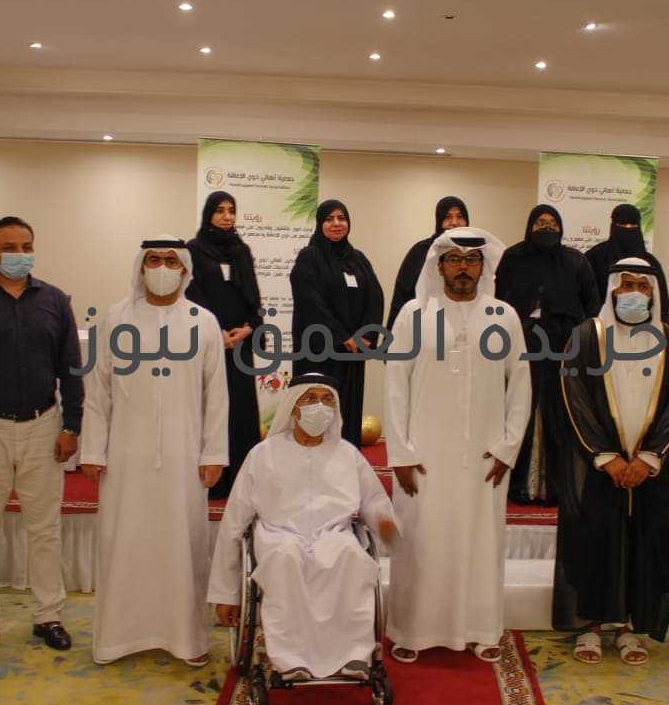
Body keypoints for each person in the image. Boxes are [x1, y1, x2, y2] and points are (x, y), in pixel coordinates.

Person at [80, 235, 228, 665]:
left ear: (184, 269)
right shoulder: (116, 319)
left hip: (185, 457)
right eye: (153, 259)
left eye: (170, 260)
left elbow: (216, 396)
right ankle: (117, 639)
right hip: (126, 457)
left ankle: (185, 640)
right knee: (124, 543)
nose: (161, 268)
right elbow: (98, 390)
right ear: (141, 266)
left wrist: (214, 453)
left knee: (182, 546)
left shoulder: (204, 322)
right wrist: (93, 449)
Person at [385, 227, 531, 664]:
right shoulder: (414, 314)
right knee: (423, 541)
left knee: (480, 543)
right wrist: (401, 453)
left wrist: (507, 448)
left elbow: (520, 385)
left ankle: (480, 629)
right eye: (454, 259)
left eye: (471, 260)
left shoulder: (504, 316)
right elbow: (395, 385)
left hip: (484, 456)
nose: (463, 267)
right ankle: (412, 630)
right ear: (440, 265)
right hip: (424, 456)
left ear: (483, 266)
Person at [208, 372, 397, 680]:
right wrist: (226, 594)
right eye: (310, 398)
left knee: (351, 558)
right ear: (293, 407)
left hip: (333, 535)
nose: (319, 407)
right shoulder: (263, 455)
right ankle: (290, 660)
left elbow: (373, 501)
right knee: (285, 559)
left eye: (327, 400)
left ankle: (352, 656)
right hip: (279, 536)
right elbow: (234, 522)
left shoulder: (348, 454)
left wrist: (383, 521)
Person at [0, 216, 83, 658]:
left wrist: (71, 426)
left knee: (44, 529)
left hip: (43, 425)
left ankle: (49, 615)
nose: (19, 254)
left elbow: (71, 368)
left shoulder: (55, 301)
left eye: (26, 246)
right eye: (9, 247)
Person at [552, 257, 669, 666]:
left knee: (641, 545)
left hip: (648, 472)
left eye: (642, 286)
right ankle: (590, 627)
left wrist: (648, 458)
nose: (634, 293)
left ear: (654, 293)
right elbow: (574, 397)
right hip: (598, 469)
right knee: (593, 542)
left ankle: (629, 627)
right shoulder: (586, 336)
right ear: (612, 289)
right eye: (626, 285)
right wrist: (605, 456)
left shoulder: (668, 341)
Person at [495, 204, 600, 505]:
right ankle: (519, 486)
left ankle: (555, 487)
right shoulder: (513, 258)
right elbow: (498, 304)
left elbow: (591, 308)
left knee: (560, 415)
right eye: (540, 222)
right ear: (529, 226)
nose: (546, 227)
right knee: (520, 411)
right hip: (522, 347)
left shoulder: (575, 261)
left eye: (552, 222)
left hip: (563, 349)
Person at [186, 190, 263, 499]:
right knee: (211, 408)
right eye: (220, 210)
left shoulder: (241, 250)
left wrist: (249, 328)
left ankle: (240, 482)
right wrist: (215, 333)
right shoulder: (194, 250)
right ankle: (211, 481)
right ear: (209, 214)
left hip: (239, 345)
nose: (227, 216)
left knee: (241, 411)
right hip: (208, 344)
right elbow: (192, 295)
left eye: (231, 210)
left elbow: (254, 294)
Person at [289, 199, 384, 446]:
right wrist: (342, 337)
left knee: (348, 412)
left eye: (341, 218)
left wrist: (365, 336)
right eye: (329, 219)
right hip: (320, 352)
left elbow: (375, 297)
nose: (336, 223)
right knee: (318, 414)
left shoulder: (358, 259)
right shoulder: (309, 257)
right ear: (320, 224)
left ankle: (346, 464)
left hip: (352, 354)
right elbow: (311, 303)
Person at [385, 196, 470, 329]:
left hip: (465, 323)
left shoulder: (475, 252)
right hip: (424, 325)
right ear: (439, 220)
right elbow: (402, 295)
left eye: (460, 217)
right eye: (447, 217)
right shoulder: (421, 250)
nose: (454, 223)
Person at [585, 204, 669, 324]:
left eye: (633, 225)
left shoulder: (650, 263)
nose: (628, 228)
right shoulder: (595, 256)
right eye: (622, 225)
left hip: (643, 327)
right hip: (603, 326)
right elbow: (586, 297)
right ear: (613, 226)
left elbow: (661, 300)